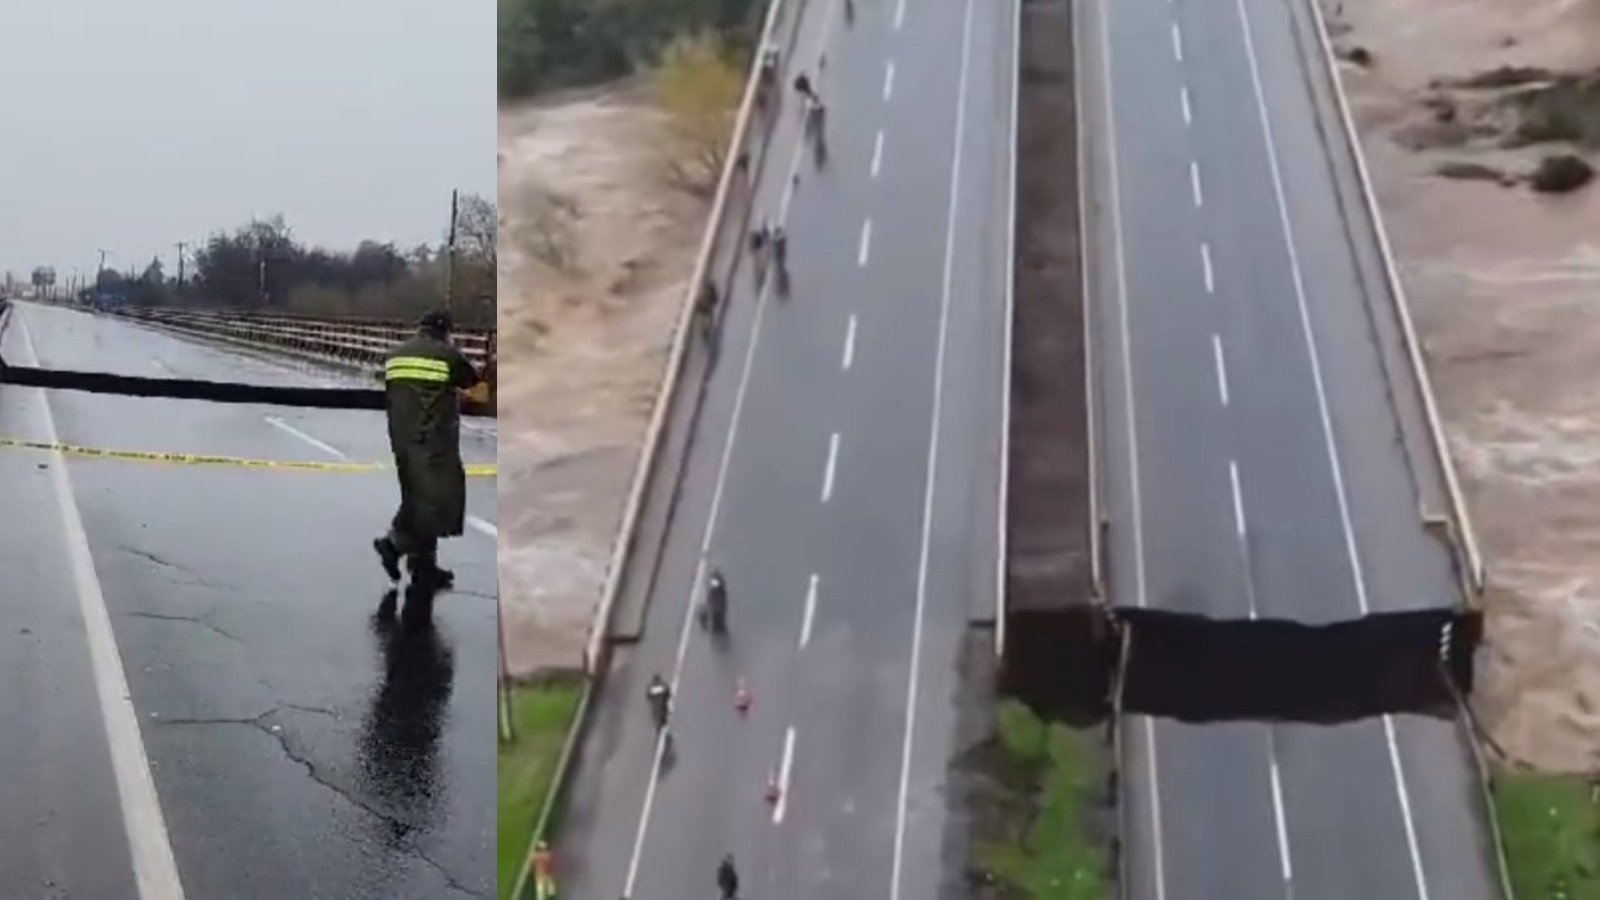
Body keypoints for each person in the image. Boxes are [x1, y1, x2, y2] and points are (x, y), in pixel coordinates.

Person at [372, 309, 482, 593]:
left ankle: (424, 568)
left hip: (401, 437)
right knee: (436, 501)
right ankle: (393, 544)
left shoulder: (396, 354)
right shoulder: (446, 354)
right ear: (445, 330)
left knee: (418, 496)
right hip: (432, 439)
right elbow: (471, 380)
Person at [706, 569, 729, 633]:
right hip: (716, 603)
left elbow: (722, 594)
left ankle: (719, 624)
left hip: (719, 603)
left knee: (719, 614)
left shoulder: (719, 584)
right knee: (716, 614)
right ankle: (717, 624)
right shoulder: (715, 584)